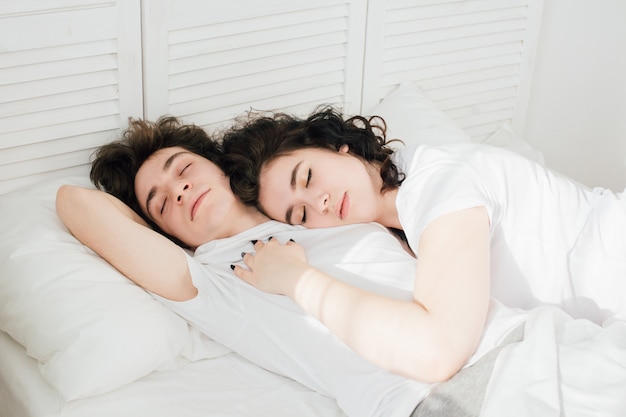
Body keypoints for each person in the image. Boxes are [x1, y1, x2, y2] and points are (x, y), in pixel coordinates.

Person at [55, 116, 526, 417]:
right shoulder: (211, 277)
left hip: (518, 338)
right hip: (440, 396)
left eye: (183, 169)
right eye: (160, 203)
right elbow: (73, 202)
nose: (177, 191)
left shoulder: (312, 207)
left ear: (220, 167)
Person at [221, 106, 626, 339]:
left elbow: (441, 339)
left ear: (335, 147)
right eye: (302, 214)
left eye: (308, 177)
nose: (319, 202)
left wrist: (296, 280)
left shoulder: (435, 182)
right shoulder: (396, 220)